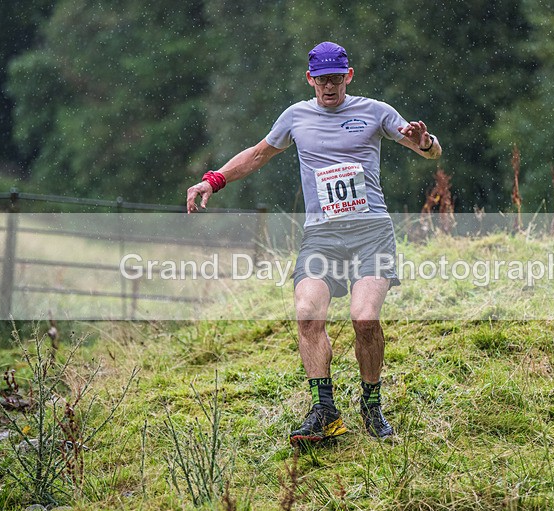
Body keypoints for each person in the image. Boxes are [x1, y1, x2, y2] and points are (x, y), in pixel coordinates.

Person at [186, 42, 442, 445]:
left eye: (336, 79)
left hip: (371, 233)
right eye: (322, 80)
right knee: (307, 313)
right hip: (322, 236)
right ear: (310, 79)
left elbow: (429, 151)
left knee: (364, 318)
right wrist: (212, 180)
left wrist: (424, 141)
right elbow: (257, 155)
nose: (329, 87)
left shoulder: (375, 111)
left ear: (349, 76)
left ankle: (372, 405)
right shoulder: (296, 117)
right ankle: (325, 411)